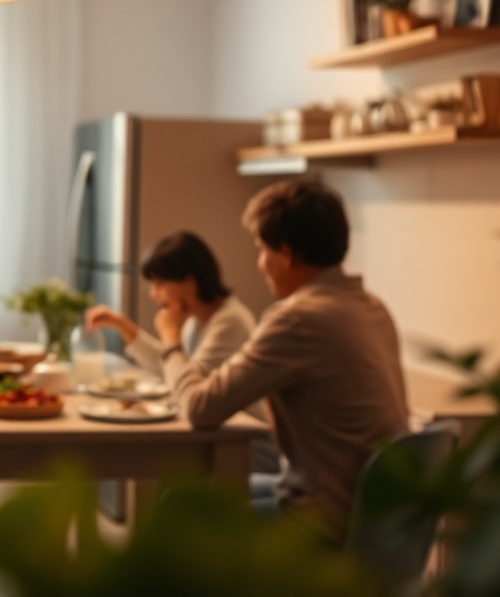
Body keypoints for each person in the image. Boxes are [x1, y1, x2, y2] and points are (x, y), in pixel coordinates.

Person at [160, 179, 409, 543]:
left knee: (180, 508)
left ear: (287, 254)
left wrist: (171, 345)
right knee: (211, 493)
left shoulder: (298, 319)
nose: (260, 264)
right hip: (378, 520)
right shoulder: (372, 307)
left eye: (263, 250)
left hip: (325, 525)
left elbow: (200, 408)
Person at [84, 230, 280, 473]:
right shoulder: (196, 321)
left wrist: (171, 338)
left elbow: (188, 385)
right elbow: (172, 370)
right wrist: (124, 326)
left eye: (160, 284)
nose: (153, 294)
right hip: (217, 435)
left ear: (189, 282)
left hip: (247, 445)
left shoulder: (230, 322)